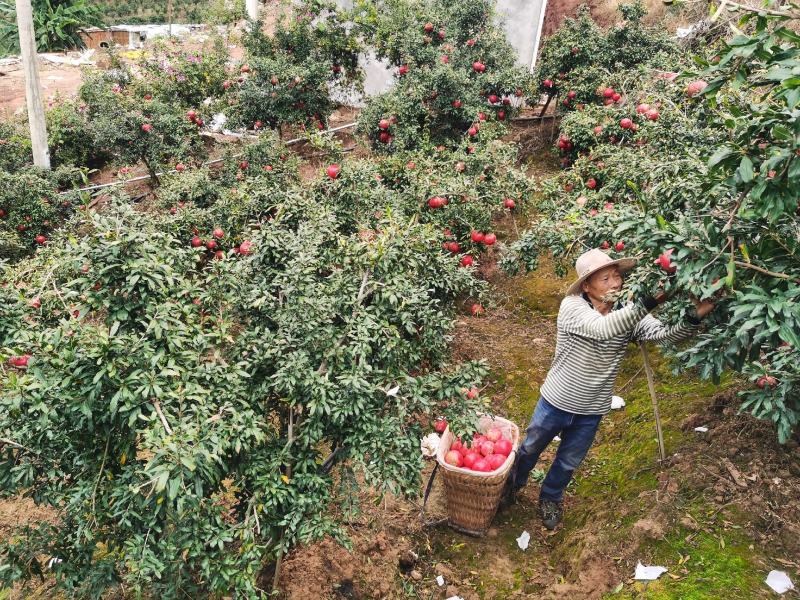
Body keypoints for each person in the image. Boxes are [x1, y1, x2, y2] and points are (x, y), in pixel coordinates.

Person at [504, 247, 714, 530]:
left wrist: (695, 316)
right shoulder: (572, 307)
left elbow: (664, 336)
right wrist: (648, 302)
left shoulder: (627, 312)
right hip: (557, 400)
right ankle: (512, 485)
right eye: (606, 279)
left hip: (592, 407)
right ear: (587, 286)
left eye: (617, 276)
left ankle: (550, 497)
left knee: (568, 461)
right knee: (530, 448)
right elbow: (603, 329)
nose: (615, 283)